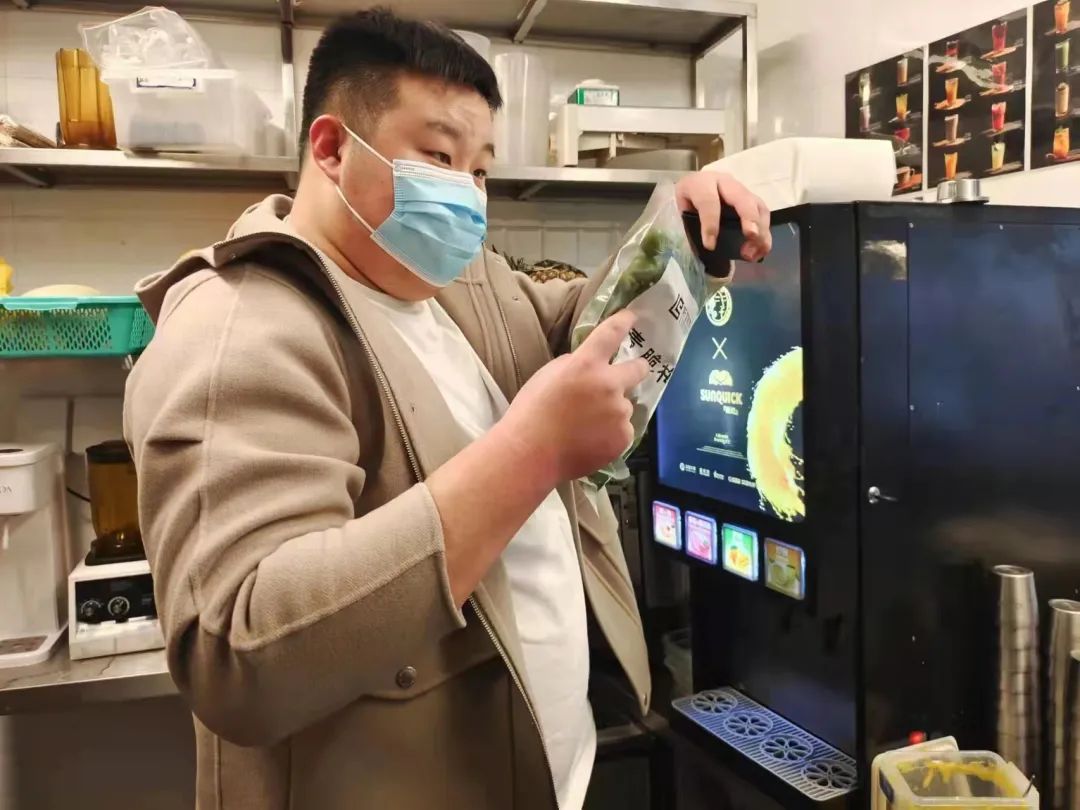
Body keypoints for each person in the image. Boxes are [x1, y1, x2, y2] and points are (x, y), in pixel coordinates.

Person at [123, 8, 771, 810]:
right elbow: (240, 658)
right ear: (330, 148)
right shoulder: (239, 330)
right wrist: (533, 452)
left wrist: (679, 235)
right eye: (437, 156)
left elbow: (577, 329)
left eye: (480, 169)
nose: (465, 193)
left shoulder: (455, 280)